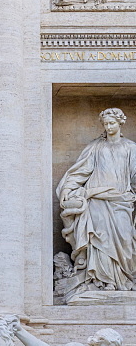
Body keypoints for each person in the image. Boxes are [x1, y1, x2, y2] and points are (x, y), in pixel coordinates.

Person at [57, 107, 136, 294]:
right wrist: (68, 188)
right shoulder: (95, 147)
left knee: (125, 239)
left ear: (120, 123)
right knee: (99, 239)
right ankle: (101, 280)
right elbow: (81, 171)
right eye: (106, 124)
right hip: (97, 200)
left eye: (112, 123)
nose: (108, 127)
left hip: (121, 199)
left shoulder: (131, 148)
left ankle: (123, 279)